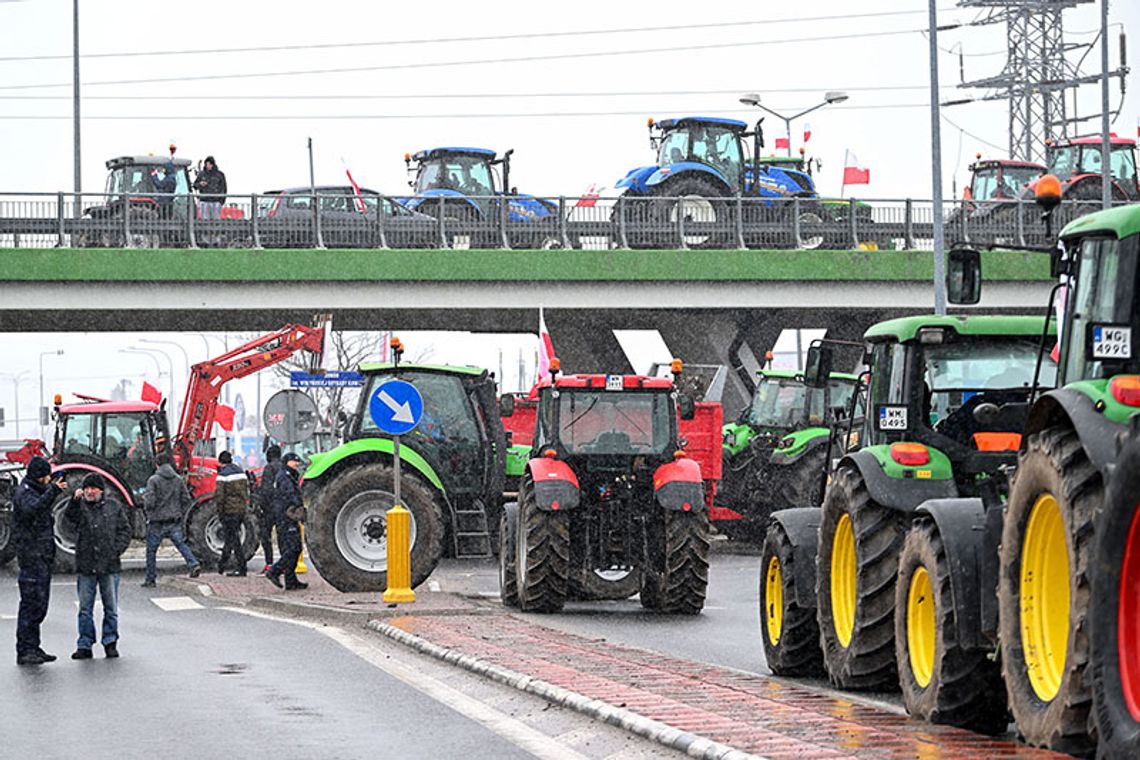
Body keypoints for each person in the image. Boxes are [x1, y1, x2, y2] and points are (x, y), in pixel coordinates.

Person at [64, 473, 131, 660]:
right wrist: (74, 501)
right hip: (86, 565)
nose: (89, 492)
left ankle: (110, 642)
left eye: (93, 488)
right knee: (85, 608)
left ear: (101, 490)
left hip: (109, 566)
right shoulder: (79, 507)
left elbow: (125, 530)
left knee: (111, 608)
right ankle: (85, 644)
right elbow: (69, 520)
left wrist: (115, 550)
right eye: (86, 489)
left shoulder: (114, 507)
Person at [13, 456, 67, 666]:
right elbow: (31, 510)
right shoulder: (25, 492)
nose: (48, 479)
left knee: (39, 604)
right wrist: (53, 491)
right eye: (47, 476)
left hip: (41, 556)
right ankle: (25, 650)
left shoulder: (36, 490)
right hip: (31, 556)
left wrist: (52, 490)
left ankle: (33, 647)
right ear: (39, 476)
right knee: (31, 603)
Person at [141, 452, 201, 587]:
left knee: (151, 551)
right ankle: (193, 563)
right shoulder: (178, 479)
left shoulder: (153, 480)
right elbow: (186, 499)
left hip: (156, 521)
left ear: (157, 464)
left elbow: (150, 501)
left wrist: (148, 509)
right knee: (181, 544)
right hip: (173, 519)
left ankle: (150, 579)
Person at [265, 452, 307, 591]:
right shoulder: (285, 476)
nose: (297, 464)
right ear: (288, 462)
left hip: (285, 515)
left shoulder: (286, 475)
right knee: (294, 548)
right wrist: (298, 506)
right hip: (286, 516)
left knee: (293, 548)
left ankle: (291, 580)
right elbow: (290, 494)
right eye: (295, 462)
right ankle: (274, 571)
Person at [215, 450, 249, 576]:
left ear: (220, 462)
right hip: (241, 509)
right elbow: (246, 491)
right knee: (230, 537)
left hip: (229, 511)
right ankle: (222, 565)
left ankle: (241, 567)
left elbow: (220, 496)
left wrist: (220, 512)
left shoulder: (223, 475)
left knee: (234, 539)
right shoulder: (241, 472)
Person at [255, 444, 283, 573]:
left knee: (266, 536)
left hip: (270, 509)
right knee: (283, 537)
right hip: (283, 507)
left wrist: (262, 506)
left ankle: (270, 563)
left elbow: (266, 490)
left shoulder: (269, 468)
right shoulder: (284, 467)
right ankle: (284, 564)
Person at [193, 155, 227, 246]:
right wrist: (200, 184)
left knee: (216, 222)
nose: (207, 166)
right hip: (204, 201)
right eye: (206, 164)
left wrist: (221, 201)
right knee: (205, 222)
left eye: (209, 164)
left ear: (212, 164)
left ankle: (216, 240)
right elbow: (195, 185)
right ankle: (206, 241)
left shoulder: (220, 175)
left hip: (216, 202)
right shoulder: (201, 174)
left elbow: (224, 188)